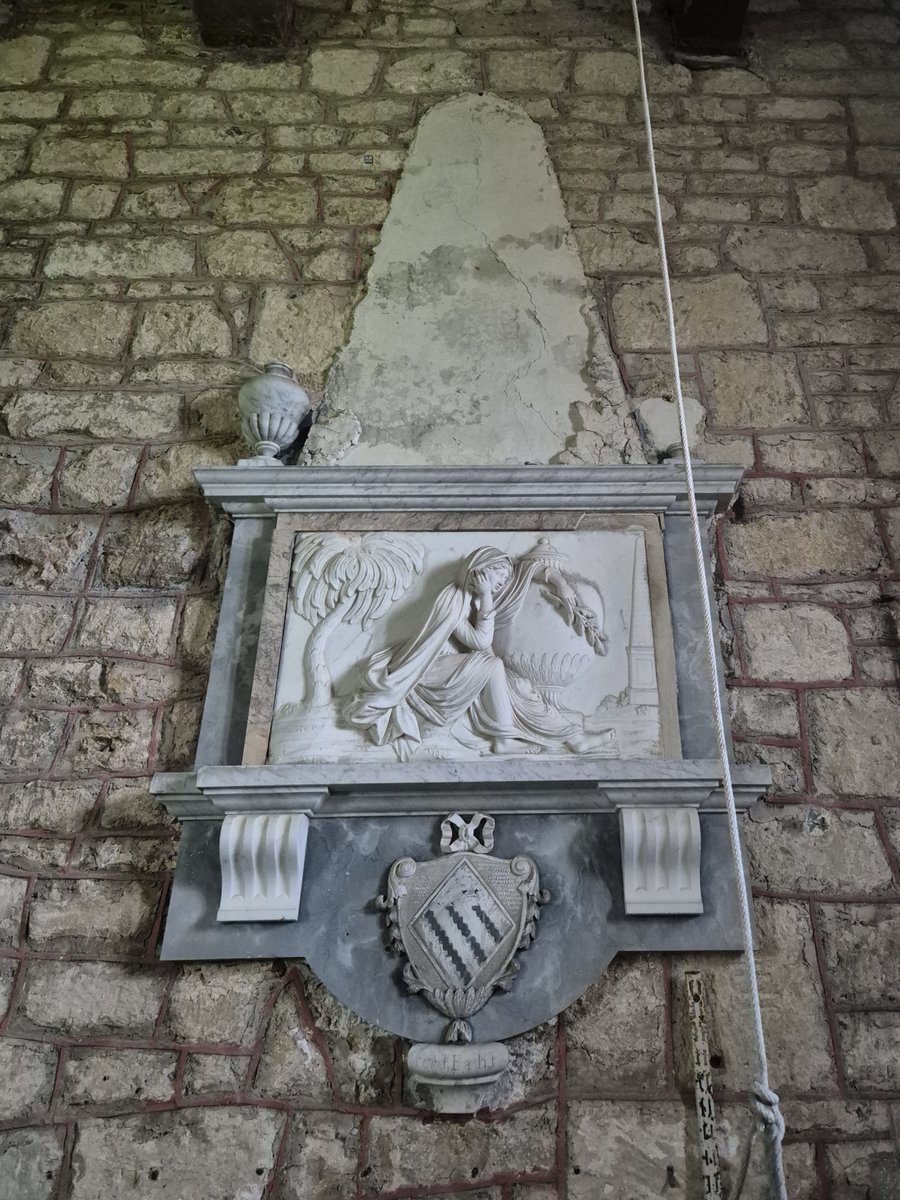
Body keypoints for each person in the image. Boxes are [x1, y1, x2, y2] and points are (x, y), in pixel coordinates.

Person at [344, 545, 609, 761]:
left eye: (504, 578)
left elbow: (527, 569)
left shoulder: (477, 596)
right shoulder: (453, 600)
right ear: (481, 571)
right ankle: (503, 740)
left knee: (521, 688)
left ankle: (574, 738)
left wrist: (561, 583)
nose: (502, 583)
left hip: (454, 669)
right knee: (492, 666)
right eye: (499, 576)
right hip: (428, 674)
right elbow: (480, 642)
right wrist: (486, 598)